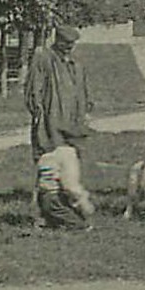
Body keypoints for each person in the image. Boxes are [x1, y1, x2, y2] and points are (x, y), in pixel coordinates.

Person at [24, 24, 94, 227]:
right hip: (50, 125)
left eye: (72, 44)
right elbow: (33, 91)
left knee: (70, 171)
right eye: (66, 43)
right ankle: (42, 214)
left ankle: (64, 213)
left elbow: (84, 92)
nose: (69, 48)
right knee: (48, 167)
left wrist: (85, 114)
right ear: (57, 40)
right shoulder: (43, 58)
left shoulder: (76, 64)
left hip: (73, 127)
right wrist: (39, 116)